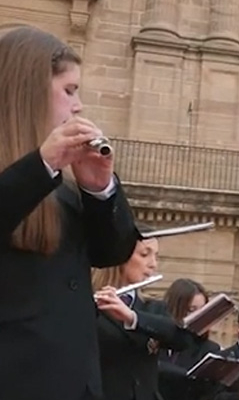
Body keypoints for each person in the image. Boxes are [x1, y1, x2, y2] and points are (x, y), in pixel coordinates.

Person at [0, 26, 141, 400]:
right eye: (68, 91)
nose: (78, 106)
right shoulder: (34, 176)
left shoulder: (59, 188)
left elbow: (113, 251)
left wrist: (99, 190)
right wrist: (42, 164)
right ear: (29, 92)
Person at [93, 231, 200, 400]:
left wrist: (133, 318)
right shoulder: (90, 305)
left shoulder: (152, 308)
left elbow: (182, 339)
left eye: (156, 256)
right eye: (144, 254)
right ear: (120, 256)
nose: (153, 265)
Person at [157, 278, 224, 400]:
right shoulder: (153, 340)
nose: (199, 317)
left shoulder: (210, 349)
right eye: (191, 310)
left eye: (203, 310)